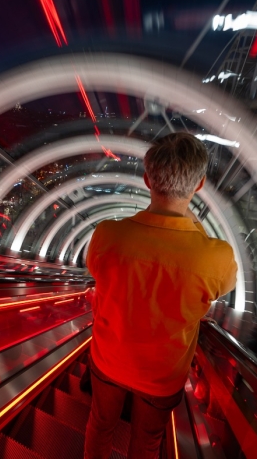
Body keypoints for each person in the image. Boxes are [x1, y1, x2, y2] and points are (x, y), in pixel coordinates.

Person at [83, 132, 237, 459]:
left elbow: (95, 271)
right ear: (199, 185)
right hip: (162, 376)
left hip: (108, 359)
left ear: (147, 179)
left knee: (100, 425)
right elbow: (226, 286)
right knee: (148, 443)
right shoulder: (215, 256)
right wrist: (193, 226)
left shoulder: (107, 235)